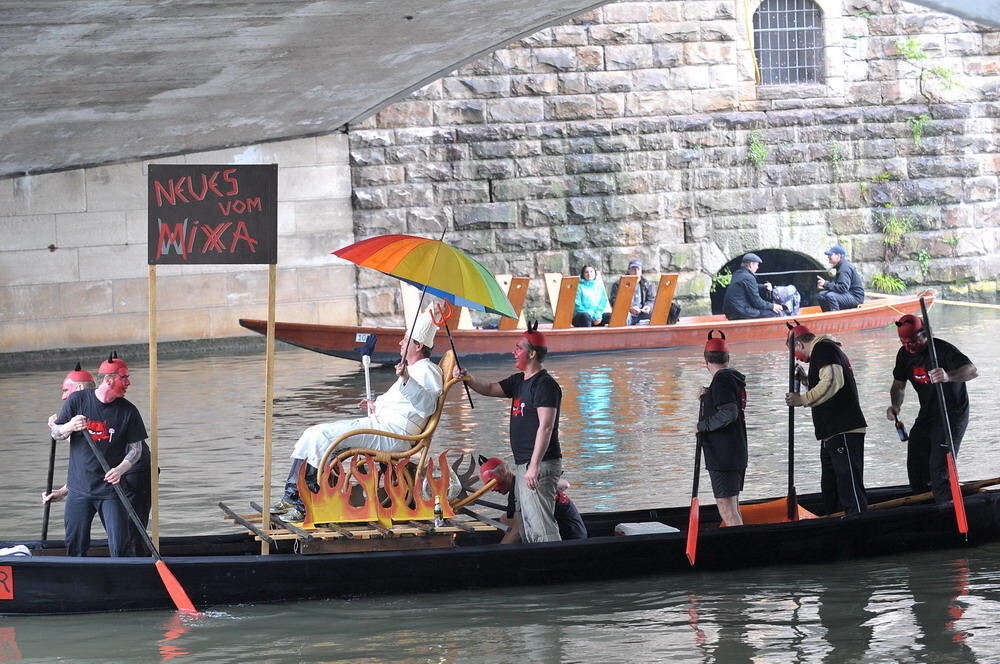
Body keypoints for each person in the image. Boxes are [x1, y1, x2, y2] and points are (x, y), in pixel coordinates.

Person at [272, 308, 443, 522]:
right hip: (382, 426)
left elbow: (427, 407)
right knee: (312, 433)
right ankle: (292, 496)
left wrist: (407, 379)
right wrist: (375, 405)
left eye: (405, 340)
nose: (400, 343)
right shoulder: (414, 370)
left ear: (418, 346)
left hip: (394, 436)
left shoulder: (428, 371)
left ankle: (302, 505)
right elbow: (401, 406)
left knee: (322, 436)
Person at [456, 322, 563, 542]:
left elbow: (546, 426)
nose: (513, 352)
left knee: (541, 526)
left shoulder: (544, 385)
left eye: (518, 348)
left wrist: (533, 467)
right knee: (527, 524)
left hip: (540, 464)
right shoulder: (518, 381)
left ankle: (554, 567)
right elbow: (489, 388)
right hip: (524, 464)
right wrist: (468, 377)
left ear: (532, 353)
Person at [52, 353, 149, 556]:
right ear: (108, 379)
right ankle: (78, 583)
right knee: (74, 546)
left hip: (112, 491)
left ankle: (122, 580)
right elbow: (56, 433)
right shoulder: (78, 400)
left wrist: (121, 469)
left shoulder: (128, 411)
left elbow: (136, 449)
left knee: (121, 547)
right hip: (79, 490)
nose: (128, 383)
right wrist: (70, 425)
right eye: (124, 378)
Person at [887, 314, 978, 501]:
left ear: (925, 334)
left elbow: (972, 371)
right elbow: (898, 384)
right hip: (928, 413)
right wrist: (895, 405)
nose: (907, 346)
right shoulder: (904, 355)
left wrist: (948, 376)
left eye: (912, 341)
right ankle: (925, 503)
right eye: (903, 342)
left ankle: (947, 505)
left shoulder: (943, 350)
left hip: (951, 414)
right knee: (916, 459)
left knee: (939, 467)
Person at [784, 324, 868, 515]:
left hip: (843, 429)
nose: (796, 358)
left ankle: (859, 522)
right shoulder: (825, 353)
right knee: (831, 487)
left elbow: (832, 382)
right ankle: (836, 520)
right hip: (830, 432)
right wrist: (807, 381)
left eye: (794, 352)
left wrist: (803, 399)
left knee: (849, 486)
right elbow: (825, 383)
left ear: (799, 344)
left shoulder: (824, 349)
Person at [697, 331, 748, 527]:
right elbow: (727, 403)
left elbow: (729, 412)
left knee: (726, 508)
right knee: (732, 506)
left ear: (705, 360)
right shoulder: (731, 379)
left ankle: (740, 551)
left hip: (723, 454)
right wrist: (708, 395)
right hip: (734, 451)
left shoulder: (721, 380)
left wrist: (702, 426)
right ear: (728, 358)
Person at [479, 457, 587, 542]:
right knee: (505, 519)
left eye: (491, 482)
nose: (492, 489)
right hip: (572, 530)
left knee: (516, 525)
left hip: (571, 537)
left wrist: (498, 552)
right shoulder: (518, 487)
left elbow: (517, 530)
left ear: (503, 471)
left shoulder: (524, 487)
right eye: (487, 486)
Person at [722, 253, 783, 320]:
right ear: (751, 264)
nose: (758, 267)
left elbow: (749, 286)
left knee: (763, 310)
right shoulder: (748, 277)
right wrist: (772, 306)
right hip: (740, 312)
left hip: (731, 312)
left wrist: (763, 286)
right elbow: (757, 302)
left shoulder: (738, 274)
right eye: (757, 265)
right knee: (773, 314)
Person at [816, 245, 864, 311]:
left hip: (855, 297)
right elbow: (838, 285)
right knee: (821, 295)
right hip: (848, 294)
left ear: (838, 256)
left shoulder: (844, 268)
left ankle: (836, 317)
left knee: (831, 296)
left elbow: (843, 288)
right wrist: (825, 285)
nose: (828, 257)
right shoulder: (840, 266)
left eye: (830, 255)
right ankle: (828, 316)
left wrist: (826, 284)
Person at [610, 258, 655, 325]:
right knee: (624, 316)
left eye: (638, 269)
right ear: (629, 270)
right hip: (627, 313)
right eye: (633, 269)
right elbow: (613, 301)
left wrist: (647, 306)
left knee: (656, 315)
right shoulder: (619, 284)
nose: (636, 271)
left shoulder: (647, 284)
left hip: (642, 312)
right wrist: (629, 308)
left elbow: (651, 299)